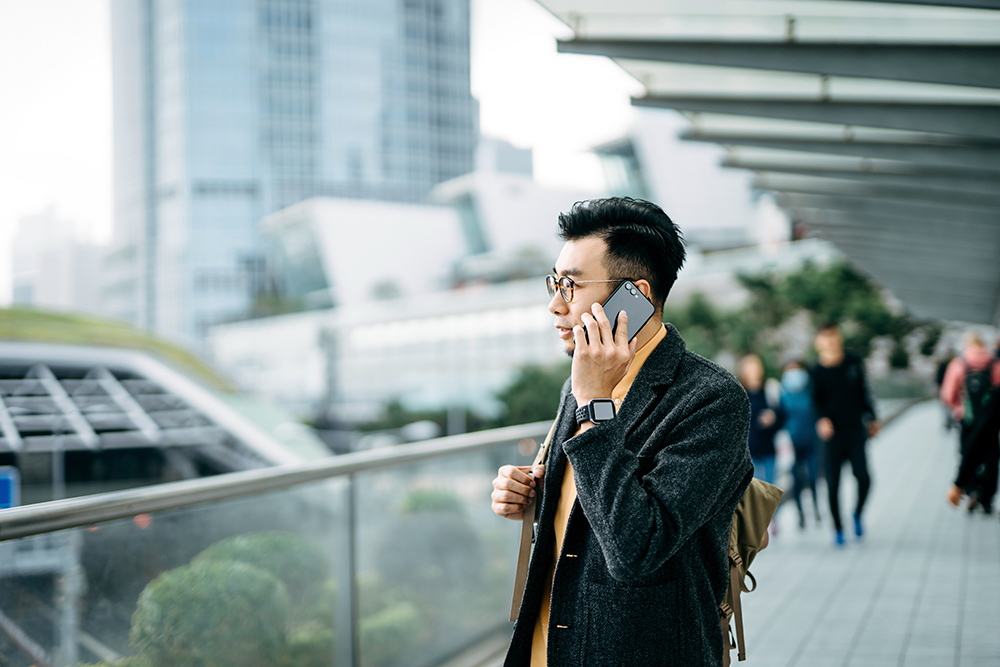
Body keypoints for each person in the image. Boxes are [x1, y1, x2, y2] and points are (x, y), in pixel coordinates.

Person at [490, 197, 753, 666]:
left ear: (635, 295)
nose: (555, 305)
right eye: (554, 283)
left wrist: (595, 406)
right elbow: (587, 505)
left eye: (570, 286)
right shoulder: (582, 380)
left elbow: (637, 549)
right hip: (548, 647)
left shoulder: (711, 399)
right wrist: (531, 493)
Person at [810, 324, 880, 547]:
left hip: (855, 430)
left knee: (864, 477)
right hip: (831, 435)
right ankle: (838, 528)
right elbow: (814, 401)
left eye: (834, 337)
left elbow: (864, 391)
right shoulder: (816, 371)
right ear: (818, 342)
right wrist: (821, 420)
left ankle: (857, 513)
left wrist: (872, 416)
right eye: (825, 337)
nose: (830, 341)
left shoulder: (853, 361)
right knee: (833, 484)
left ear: (839, 338)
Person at [940, 331, 1000, 513]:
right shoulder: (994, 364)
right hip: (991, 417)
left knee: (969, 451)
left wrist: (959, 408)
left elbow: (947, 394)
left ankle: (971, 488)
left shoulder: (959, 364)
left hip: (968, 419)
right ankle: (987, 498)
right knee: (991, 460)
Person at [779, 360, 821, 529]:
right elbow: (780, 416)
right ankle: (800, 514)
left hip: (811, 439)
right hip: (792, 442)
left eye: (797, 370)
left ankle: (816, 508)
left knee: (812, 476)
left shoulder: (811, 390)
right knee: (796, 479)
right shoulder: (782, 393)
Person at [738, 354, 781, 485]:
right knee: (756, 496)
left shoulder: (770, 390)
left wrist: (773, 418)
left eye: (756, 368)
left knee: (770, 492)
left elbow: (782, 416)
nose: (754, 372)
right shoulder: (740, 393)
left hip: (768, 448)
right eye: (750, 369)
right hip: (749, 453)